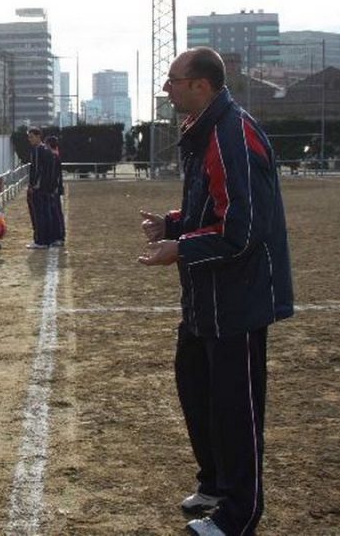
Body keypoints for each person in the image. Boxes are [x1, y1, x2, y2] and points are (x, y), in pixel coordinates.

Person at [138, 47, 293, 536]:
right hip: (208, 298)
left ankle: (237, 514)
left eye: (173, 80)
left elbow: (241, 232)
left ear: (201, 86)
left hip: (238, 301)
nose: (166, 88)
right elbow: (213, 210)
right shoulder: (206, 131)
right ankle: (215, 483)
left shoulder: (231, 134)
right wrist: (174, 223)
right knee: (196, 386)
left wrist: (179, 247)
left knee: (235, 407)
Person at [25, 127, 55, 249]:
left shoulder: (38, 150)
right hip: (47, 188)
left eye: (31, 136)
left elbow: (37, 170)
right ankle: (47, 240)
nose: (29, 139)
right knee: (46, 213)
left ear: (38, 136)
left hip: (39, 188)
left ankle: (40, 240)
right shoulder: (47, 150)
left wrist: (32, 185)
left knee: (38, 215)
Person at [45, 135, 65, 247]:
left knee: (55, 212)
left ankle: (58, 236)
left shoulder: (53, 156)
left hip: (53, 189)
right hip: (55, 188)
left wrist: (53, 188)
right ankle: (57, 236)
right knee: (56, 212)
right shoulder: (55, 155)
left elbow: (54, 175)